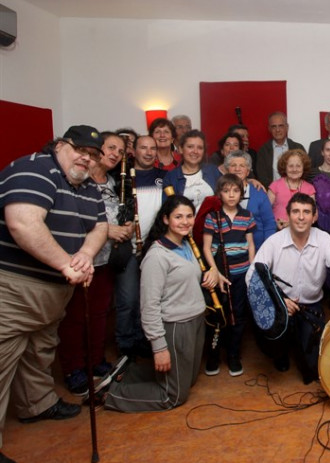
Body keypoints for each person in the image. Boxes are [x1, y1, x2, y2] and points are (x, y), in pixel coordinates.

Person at [0, 125, 108, 463]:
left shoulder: (87, 185)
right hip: (15, 287)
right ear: (60, 145)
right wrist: (66, 263)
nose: (86, 159)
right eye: (80, 150)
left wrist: (87, 255)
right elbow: (23, 223)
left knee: (39, 349)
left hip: (56, 290)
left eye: (92, 155)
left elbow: (100, 226)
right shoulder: (33, 168)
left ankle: (38, 404)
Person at [98, 195, 216, 412]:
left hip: (196, 321)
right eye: (178, 217)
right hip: (175, 325)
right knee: (174, 395)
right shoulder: (157, 256)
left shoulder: (188, 245)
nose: (185, 221)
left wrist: (212, 274)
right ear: (165, 220)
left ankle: (127, 373)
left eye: (189, 216)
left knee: (188, 380)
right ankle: (110, 395)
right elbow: (149, 306)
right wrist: (159, 347)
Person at [248, 193, 330, 384]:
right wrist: (277, 301)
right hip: (281, 305)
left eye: (306, 212)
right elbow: (253, 275)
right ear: (288, 215)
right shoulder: (274, 241)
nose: (301, 217)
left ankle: (298, 341)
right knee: (274, 344)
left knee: (312, 371)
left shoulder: (324, 239)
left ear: (314, 216)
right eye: (295, 211)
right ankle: (281, 352)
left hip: (311, 305)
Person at [57, 132, 129, 395]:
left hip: (105, 259)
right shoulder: (77, 178)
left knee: (99, 314)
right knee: (75, 317)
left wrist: (125, 227)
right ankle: (74, 369)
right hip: (78, 259)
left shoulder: (112, 183)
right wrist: (108, 230)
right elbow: (73, 218)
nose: (114, 155)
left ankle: (96, 361)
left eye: (120, 152)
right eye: (110, 148)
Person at [113, 135, 166, 360]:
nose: (148, 152)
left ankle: (145, 340)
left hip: (154, 247)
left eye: (153, 148)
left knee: (152, 298)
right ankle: (126, 345)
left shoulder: (163, 177)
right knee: (128, 300)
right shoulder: (120, 178)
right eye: (143, 147)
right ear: (133, 150)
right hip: (127, 248)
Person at [203, 174, 256, 377]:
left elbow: (251, 244)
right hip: (219, 274)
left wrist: (251, 269)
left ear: (241, 193)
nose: (231, 195)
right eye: (226, 191)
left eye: (235, 191)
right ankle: (214, 355)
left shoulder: (247, 215)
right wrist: (214, 271)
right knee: (218, 314)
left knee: (238, 314)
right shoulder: (212, 217)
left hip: (241, 274)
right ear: (219, 194)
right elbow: (207, 248)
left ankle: (233, 354)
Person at [224, 151, 276, 251]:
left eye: (242, 166)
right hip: (230, 252)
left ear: (248, 171)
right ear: (227, 170)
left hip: (258, 249)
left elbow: (269, 223)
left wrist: (267, 249)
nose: (237, 169)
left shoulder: (259, 193)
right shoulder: (221, 194)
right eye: (233, 165)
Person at [163, 130, 221, 209]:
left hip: (212, 221)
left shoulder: (213, 171)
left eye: (200, 148)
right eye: (190, 147)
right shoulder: (171, 177)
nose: (195, 151)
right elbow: (170, 207)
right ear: (181, 149)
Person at [267, 149, 315, 230]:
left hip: (302, 231)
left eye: (298, 166)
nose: (294, 169)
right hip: (278, 231)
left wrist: (292, 224)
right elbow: (265, 212)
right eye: (291, 166)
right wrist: (275, 222)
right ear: (284, 168)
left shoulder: (310, 188)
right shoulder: (275, 185)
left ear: (304, 168)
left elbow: (314, 214)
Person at [255, 112, 305, 188]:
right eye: (274, 126)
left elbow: (305, 172)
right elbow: (262, 177)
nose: (277, 130)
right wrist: (276, 190)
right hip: (272, 194)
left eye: (281, 126)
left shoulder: (298, 147)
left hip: (296, 193)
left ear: (287, 127)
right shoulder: (263, 151)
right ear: (269, 129)